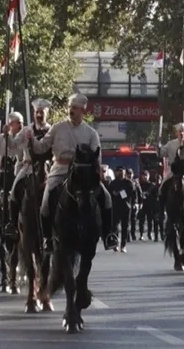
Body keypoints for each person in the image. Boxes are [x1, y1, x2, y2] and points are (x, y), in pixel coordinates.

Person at [18, 93, 118, 252]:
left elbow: (96, 157)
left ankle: (108, 234)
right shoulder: (58, 128)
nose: (71, 110)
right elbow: (41, 147)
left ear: (82, 111)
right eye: (70, 107)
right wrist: (31, 139)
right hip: (60, 170)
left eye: (75, 108)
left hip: (83, 175)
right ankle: (47, 238)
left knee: (106, 198)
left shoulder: (91, 133)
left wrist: (95, 172)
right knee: (45, 202)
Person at [8, 99, 53, 233]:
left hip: (48, 166)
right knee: (15, 190)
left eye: (42, 112)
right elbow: (13, 145)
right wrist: (7, 135)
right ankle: (12, 224)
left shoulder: (52, 130)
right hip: (28, 166)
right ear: (33, 113)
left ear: (47, 113)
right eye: (37, 112)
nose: (39, 115)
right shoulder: (27, 130)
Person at [157, 123, 184, 218]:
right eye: (179, 131)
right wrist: (159, 145)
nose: (181, 133)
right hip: (173, 171)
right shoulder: (171, 144)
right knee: (162, 187)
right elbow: (161, 154)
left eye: (183, 131)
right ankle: (161, 211)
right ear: (177, 133)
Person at [108, 166, 135, 253]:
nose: (121, 173)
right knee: (114, 227)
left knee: (125, 227)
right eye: (119, 172)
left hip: (125, 207)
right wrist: (115, 194)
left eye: (122, 171)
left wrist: (119, 193)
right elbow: (110, 194)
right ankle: (115, 243)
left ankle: (123, 245)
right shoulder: (113, 183)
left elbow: (130, 193)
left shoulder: (128, 183)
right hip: (115, 207)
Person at [138, 171, 157, 241]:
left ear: (148, 176)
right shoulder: (139, 185)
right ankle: (141, 234)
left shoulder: (152, 185)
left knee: (150, 221)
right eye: (143, 175)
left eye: (146, 175)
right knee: (141, 221)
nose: (145, 177)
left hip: (150, 205)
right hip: (142, 205)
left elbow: (155, 195)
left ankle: (149, 234)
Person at [126, 168, 142, 241]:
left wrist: (140, 202)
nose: (130, 175)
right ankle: (128, 235)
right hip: (126, 203)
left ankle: (133, 233)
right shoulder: (124, 182)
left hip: (134, 204)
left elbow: (139, 193)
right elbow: (122, 192)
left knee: (133, 220)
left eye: (131, 173)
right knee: (127, 221)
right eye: (128, 174)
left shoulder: (135, 182)